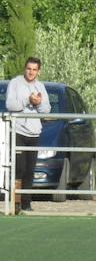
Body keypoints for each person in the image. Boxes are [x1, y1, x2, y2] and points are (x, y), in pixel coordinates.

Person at [5, 57, 51, 213]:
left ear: (38, 71)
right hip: (17, 131)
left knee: (30, 169)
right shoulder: (15, 83)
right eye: (29, 69)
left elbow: (47, 110)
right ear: (25, 69)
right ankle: (15, 203)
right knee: (19, 168)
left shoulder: (40, 86)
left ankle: (26, 203)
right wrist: (27, 100)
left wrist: (38, 103)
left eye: (34, 69)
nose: (31, 72)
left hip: (34, 133)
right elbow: (10, 104)